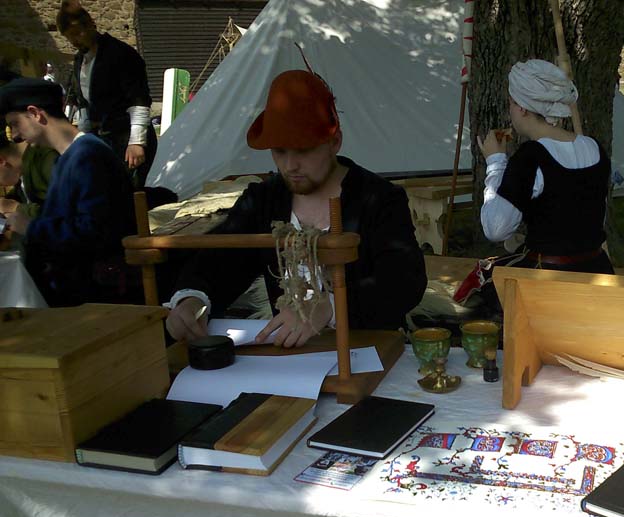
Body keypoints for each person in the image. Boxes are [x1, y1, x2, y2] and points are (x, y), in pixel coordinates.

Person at [165, 70, 427, 347]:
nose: (290, 166)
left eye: (303, 150)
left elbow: (404, 282)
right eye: (280, 151)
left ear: (334, 142)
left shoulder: (379, 198)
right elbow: (218, 261)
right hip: (289, 353)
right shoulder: (263, 199)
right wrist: (192, 299)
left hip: (368, 348)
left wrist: (330, 307)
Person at [0, 77, 137, 306]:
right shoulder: (70, 157)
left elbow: (93, 232)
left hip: (99, 295)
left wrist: (30, 227)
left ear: (35, 113)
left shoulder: (88, 156)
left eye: (15, 123)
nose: (15, 135)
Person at [477, 59, 614, 275]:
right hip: (597, 269)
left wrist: (495, 162)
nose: (510, 111)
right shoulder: (593, 147)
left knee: (476, 285)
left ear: (521, 107)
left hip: (550, 277)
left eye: (511, 103)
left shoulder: (530, 157)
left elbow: (495, 229)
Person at [57, 1, 157, 189]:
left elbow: (139, 101)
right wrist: (83, 142)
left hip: (127, 137)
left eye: (77, 33)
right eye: (69, 37)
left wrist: (137, 142)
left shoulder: (120, 54)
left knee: (130, 193)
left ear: (90, 25)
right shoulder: (80, 60)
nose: (75, 41)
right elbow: (84, 105)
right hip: (104, 140)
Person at [0, 122, 58, 218]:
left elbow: (64, 213)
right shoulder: (21, 168)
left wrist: (16, 208)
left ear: (1, 161)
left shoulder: (47, 159)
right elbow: (22, 193)